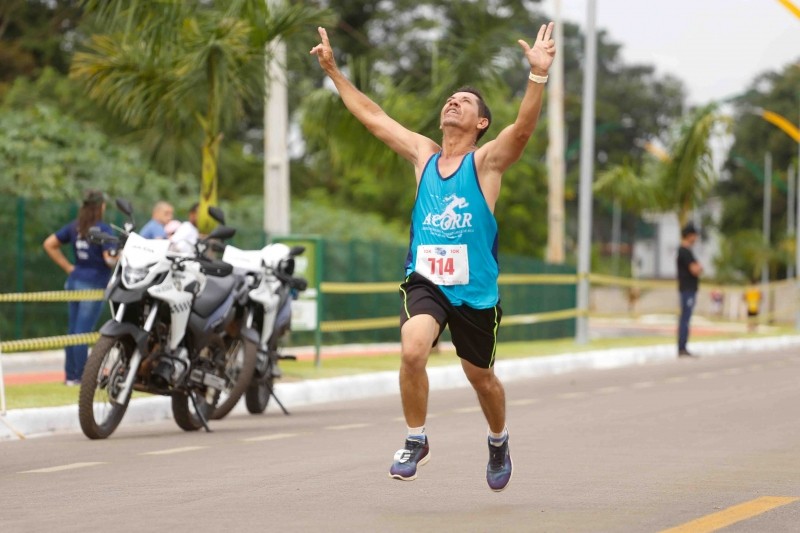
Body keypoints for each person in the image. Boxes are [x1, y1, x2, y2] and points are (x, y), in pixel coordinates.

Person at [311, 22, 555, 491]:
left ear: (480, 123)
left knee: (481, 378)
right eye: (450, 99)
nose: (452, 102)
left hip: (475, 291)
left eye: (464, 102)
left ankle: (498, 439)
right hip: (426, 279)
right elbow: (374, 118)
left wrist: (537, 77)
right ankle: (415, 438)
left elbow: (522, 132)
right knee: (412, 349)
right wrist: (334, 71)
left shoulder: (484, 164)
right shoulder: (423, 155)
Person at [43, 189, 117, 385]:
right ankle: (84, 378)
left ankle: (70, 377)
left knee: (73, 331)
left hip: (74, 280)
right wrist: (121, 255)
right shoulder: (102, 229)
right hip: (93, 284)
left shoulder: (75, 227)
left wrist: (68, 267)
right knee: (83, 332)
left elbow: (49, 243)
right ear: (101, 206)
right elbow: (109, 260)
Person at [676, 222, 703, 358]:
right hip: (687, 289)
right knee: (685, 318)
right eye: (694, 235)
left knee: (686, 318)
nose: (696, 238)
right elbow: (695, 269)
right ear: (689, 235)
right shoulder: (684, 251)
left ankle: (683, 346)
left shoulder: (688, 252)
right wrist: (698, 268)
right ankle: (682, 347)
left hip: (690, 289)